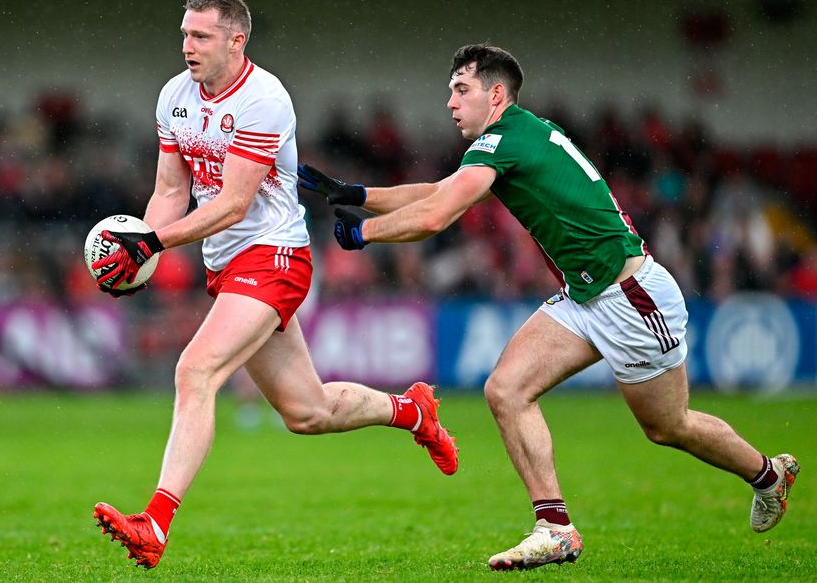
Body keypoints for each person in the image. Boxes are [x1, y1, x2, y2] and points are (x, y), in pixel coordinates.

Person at [298, 44, 800, 571]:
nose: (450, 102)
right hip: (588, 295)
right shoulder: (513, 136)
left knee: (667, 427)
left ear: (496, 95)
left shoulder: (503, 140)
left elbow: (435, 215)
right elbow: (443, 190)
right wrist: (356, 192)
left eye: (461, 89)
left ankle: (768, 474)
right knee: (507, 390)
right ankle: (555, 528)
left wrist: (363, 232)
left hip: (632, 299)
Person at [88, 0, 459, 570]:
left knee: (196, 370)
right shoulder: (173, 96)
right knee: (307, 413)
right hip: (224, 264)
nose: (187, 46)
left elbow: (235, 204)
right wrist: (143, 256)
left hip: (274, 257)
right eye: (184, 34)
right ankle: (412, 413)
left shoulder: (265, 98)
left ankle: (154, 523)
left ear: (237, 41)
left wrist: (152, 244)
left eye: (201, 36)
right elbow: (168, 191)